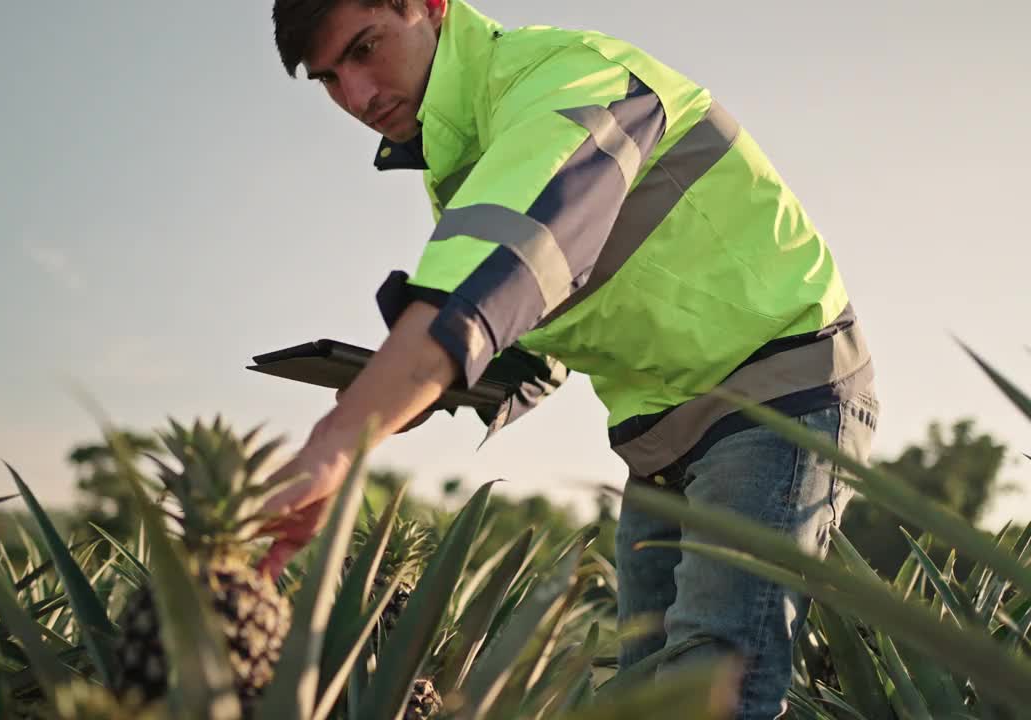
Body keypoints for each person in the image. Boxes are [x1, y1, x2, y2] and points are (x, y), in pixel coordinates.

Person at [258, 1, 880, 717]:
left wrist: (341, 439)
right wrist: (404, 390)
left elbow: (504, 264)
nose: (358, 97)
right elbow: (534, 336)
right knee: (646, 699)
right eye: (330, 80)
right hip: (662, 440)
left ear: (429, 6)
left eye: (366, 49)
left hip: (775, 395)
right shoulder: (465, 155)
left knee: (709, 694)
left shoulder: (565, 78)